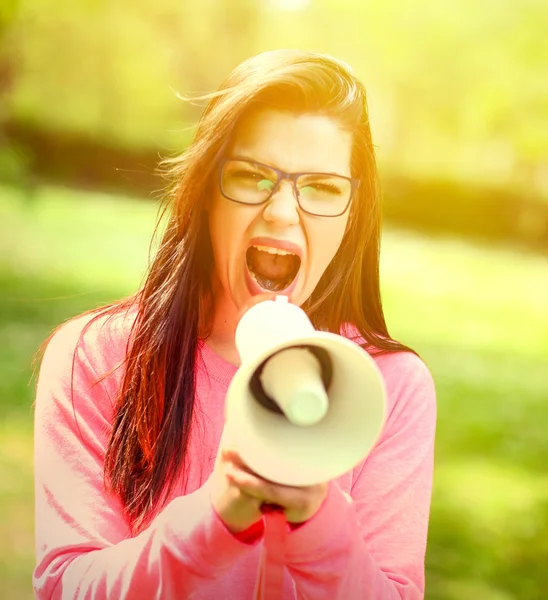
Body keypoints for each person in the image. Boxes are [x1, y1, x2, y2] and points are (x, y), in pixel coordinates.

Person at [33, 49, 436, 599]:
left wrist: (318, 525)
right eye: (251, 176)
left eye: (321, 187)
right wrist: (215, 514)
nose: (283, 212)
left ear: (352, 214)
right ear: (204, 193)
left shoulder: (390, 388)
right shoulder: (98, 359)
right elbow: (64, 589)